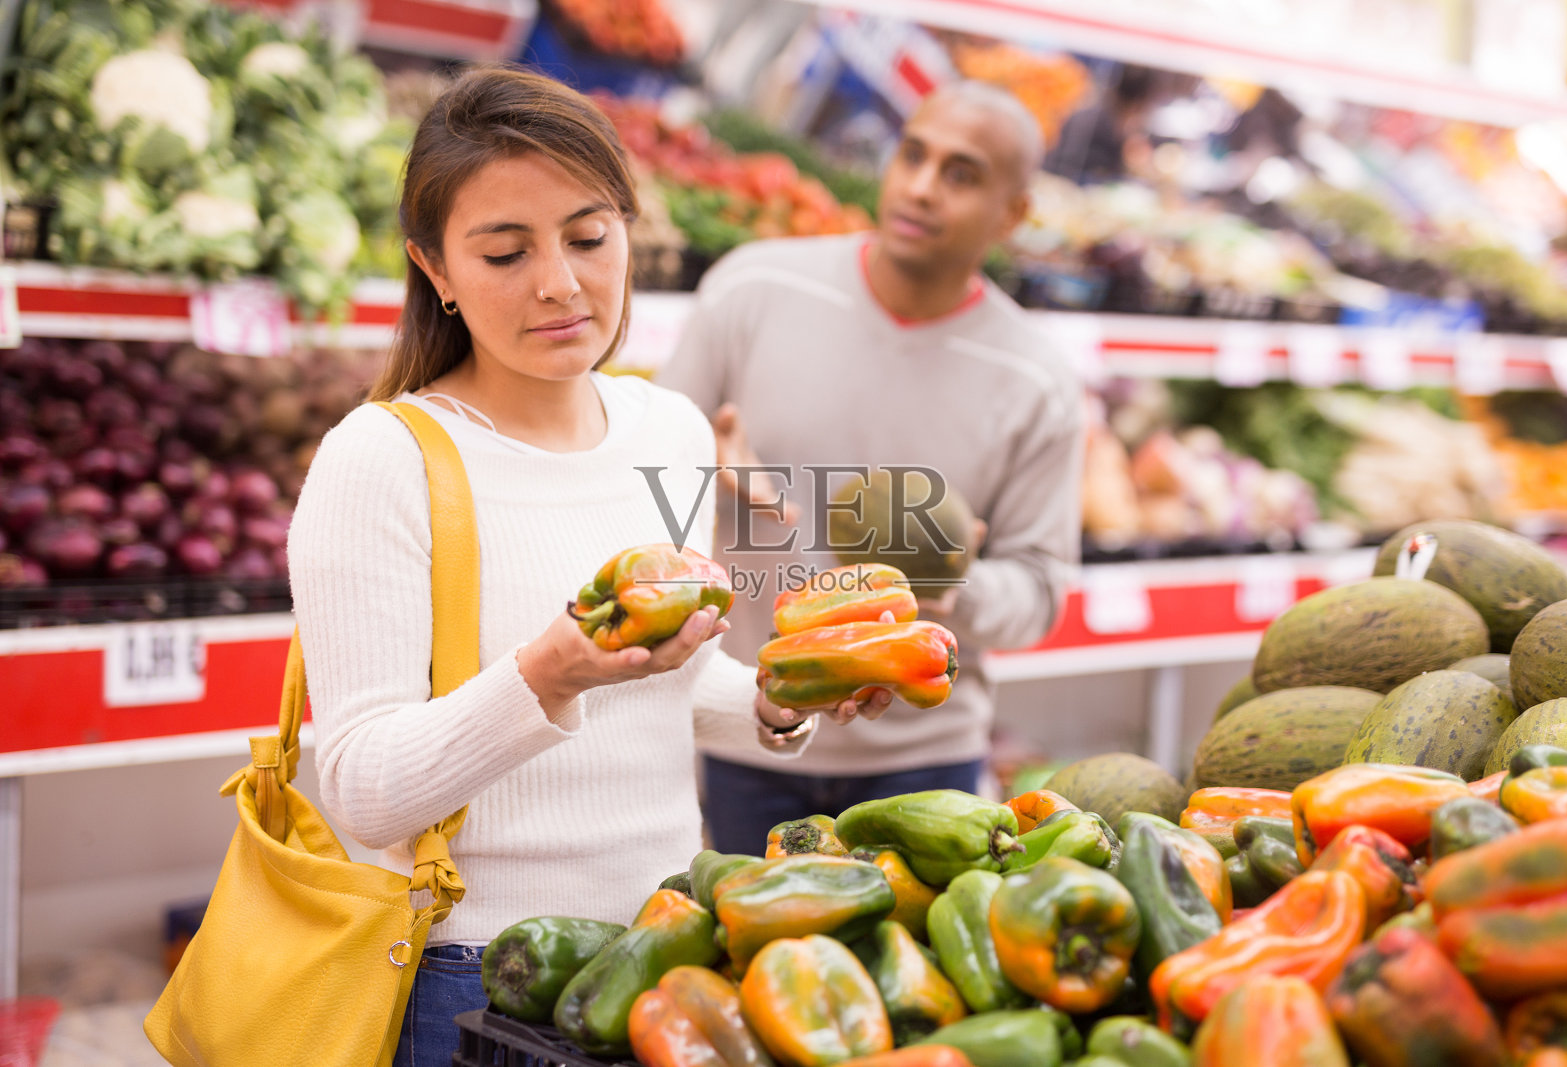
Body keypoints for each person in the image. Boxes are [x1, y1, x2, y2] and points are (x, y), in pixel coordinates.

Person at [286, 66, 886, 1067]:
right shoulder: (382, 457)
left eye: (587, 236)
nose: (559, 281)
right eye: (505, 250)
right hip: (471, 974)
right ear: (434, 268)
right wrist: (546, 670)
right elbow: (362, 788)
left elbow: (663, 686)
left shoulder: (672, 427)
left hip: (669, 942)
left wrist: (786, 698)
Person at [656, 80, 1086, 856]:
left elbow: (1041, 587)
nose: (921, 187)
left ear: (1013, 214)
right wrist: (697, 460)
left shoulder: (1036, 378)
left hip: (924, 756)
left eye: (961, 174)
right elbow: (631, 471)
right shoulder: (754, 288)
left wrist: (952, 589)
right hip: (749, 725)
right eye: (913, 155)